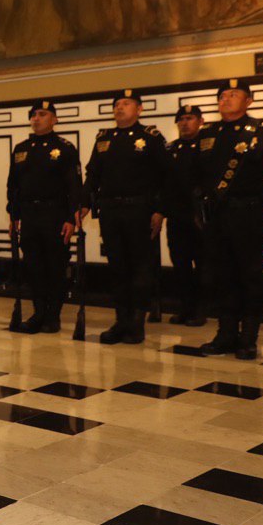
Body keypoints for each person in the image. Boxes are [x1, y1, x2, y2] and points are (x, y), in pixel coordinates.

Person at [196, 79, 263, 359]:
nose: (226, 99)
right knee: (222, 276)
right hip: (216, 217)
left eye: (234, 94)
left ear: (249, 101)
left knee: (250, 276)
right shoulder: (207, 132)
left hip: (249, 214)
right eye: (222, 95)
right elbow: (192, 175)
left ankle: (248, 338)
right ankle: (226, 334)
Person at [81, 89, 169, 345]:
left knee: (141, 268)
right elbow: (92, 174)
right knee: (118, 268)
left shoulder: (150, 137)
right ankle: (121, 320)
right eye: (117, 104)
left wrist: (160, 210)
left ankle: (137, 323)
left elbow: (167, 177)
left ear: (139, 109)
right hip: (110, 213)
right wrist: (84, 203)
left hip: (140, 212)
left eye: (126, 103)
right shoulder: (104, 139)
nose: (120, 107)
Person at [6, 100, 83, 332]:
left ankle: (53, 315)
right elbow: (13, 186)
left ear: (54, 119)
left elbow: (74, 186)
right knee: (33, 266)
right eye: (33, 115)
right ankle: (38, 312)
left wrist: (71, 218)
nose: (36, 118)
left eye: (42, 114)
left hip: (55, 214)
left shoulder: (65, 148)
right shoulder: (21, 148)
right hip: (29, 214)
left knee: (55, 266)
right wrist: (14, 215)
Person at [165, 105, 207, 326]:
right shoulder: (171, 149)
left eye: (189, 118)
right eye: (180, 119)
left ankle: (200, 310)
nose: (184, 122)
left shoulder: (209, 146)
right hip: (177, 216)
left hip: (201, 217)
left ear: (201, 121)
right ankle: (185, 307)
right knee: (180, 264)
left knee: (202, 264)